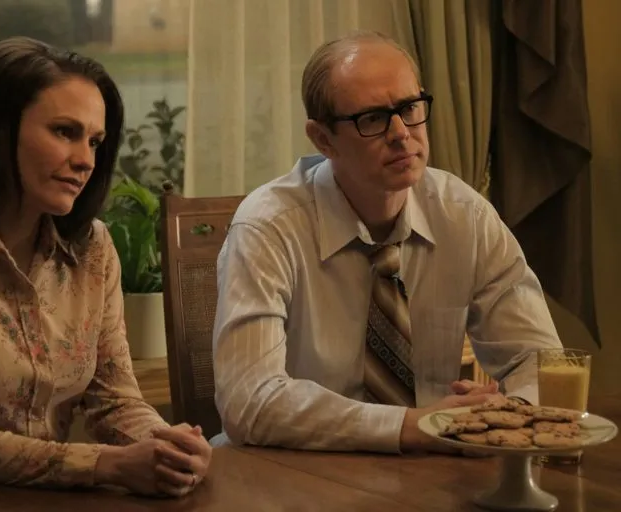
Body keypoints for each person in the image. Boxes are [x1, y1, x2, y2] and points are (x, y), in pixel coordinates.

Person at [0, 37, 210, 496]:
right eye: (65, 132)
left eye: (95, 141)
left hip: (49, 498)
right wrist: (108, 464)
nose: (86, 160)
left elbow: (114, 401)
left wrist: (169, 448)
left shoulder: (93, 248)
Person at [211, 31, 562, 453]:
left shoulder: (464, 216)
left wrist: (510, 410)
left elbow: (542, 360)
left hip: (432, 469)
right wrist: (410, 426)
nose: (401, 133)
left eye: (410, 108)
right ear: (323, 139)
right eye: (373, 119)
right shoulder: (267, 228)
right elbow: (249, 401)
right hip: (291, 468)